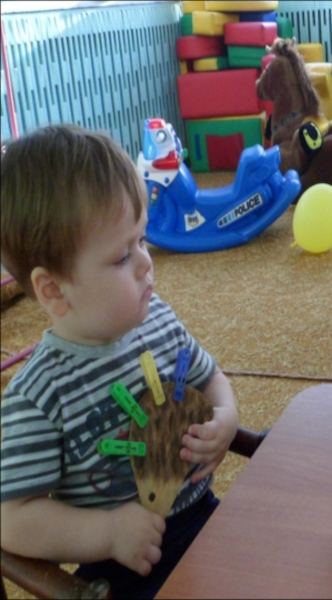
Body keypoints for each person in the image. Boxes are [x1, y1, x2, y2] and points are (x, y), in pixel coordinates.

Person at [0, 125, 239, 598]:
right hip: (124, 572)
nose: (147, 263)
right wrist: (106, 533)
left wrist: (227, 417)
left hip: (208, 523)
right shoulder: (40, 396)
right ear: (54, 289)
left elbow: (211, 378)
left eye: (142, 240)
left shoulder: (159, 319)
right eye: (121, 256)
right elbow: (10, 518)